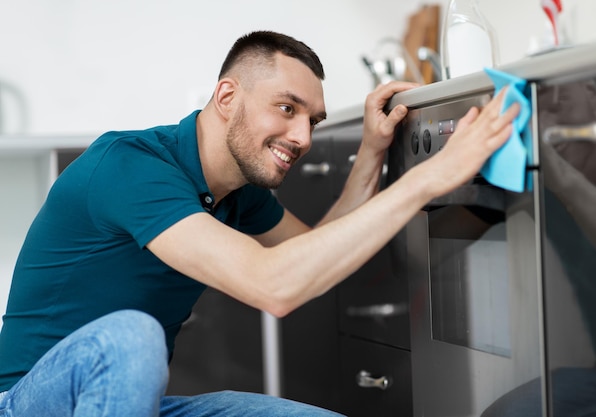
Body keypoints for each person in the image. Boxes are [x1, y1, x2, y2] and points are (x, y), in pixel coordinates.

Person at [0, 30, 518, 416]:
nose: (302, 136)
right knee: (132, 336)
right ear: (228, 98)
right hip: (31, 401)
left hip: (137, 405)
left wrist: (371, 154)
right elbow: (274, 285)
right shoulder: (132, 166)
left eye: (311, 121)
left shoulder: (236, 191)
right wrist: (430, 179)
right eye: (286, 108)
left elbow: (312, 254)